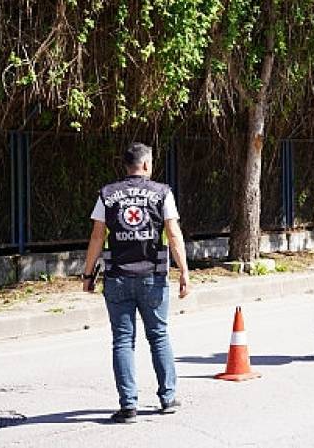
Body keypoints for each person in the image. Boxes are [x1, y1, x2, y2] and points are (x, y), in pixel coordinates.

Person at [82, 142, 189, 423]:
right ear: (145, 165)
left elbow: (96, 237)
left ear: (126, 165)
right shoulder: (162, 193)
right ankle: (168, 398)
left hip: (117, 277)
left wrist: (87, 274)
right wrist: (184, 272)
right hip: (153, 277)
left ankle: (128, 406)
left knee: (122, 341)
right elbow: (174, 235)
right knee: (159, 337)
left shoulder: (107, 194)